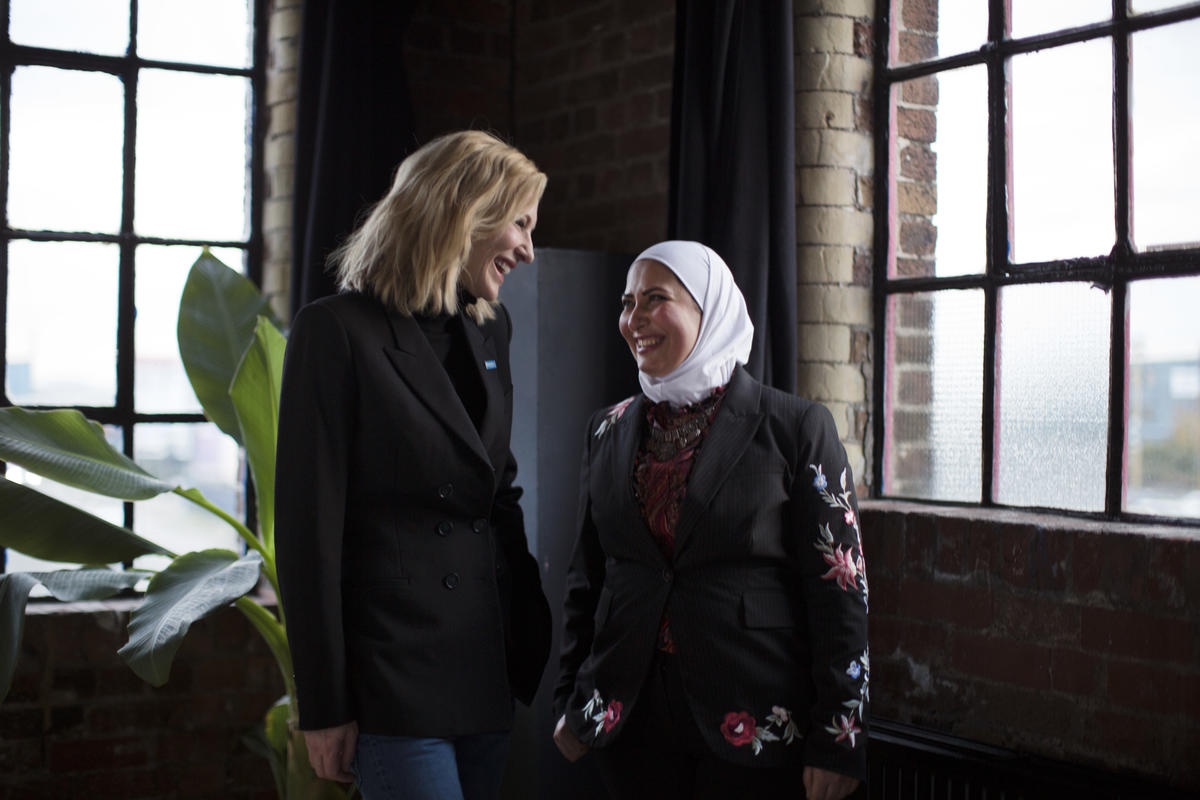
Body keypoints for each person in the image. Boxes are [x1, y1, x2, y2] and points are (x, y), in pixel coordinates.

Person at [275, 130, 553, 800]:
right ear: (464, 210)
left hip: (484, 666)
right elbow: (310, 536)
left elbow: (498, 490)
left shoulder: (491, 329)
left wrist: (529, 628)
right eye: (519, 223)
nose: (528, 249)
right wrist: (324, 706)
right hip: (392, 678)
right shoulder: (336, 331)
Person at [552, 241, 869, 799]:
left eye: (656, 298)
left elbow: (839, 593)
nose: (634, 319)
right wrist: (569, 702)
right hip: (629, 726)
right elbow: (588, 579)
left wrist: (840, 739)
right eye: (627, 303)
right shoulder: (605, 429)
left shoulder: (795, 427)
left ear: (711, 310)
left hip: (755, 726)